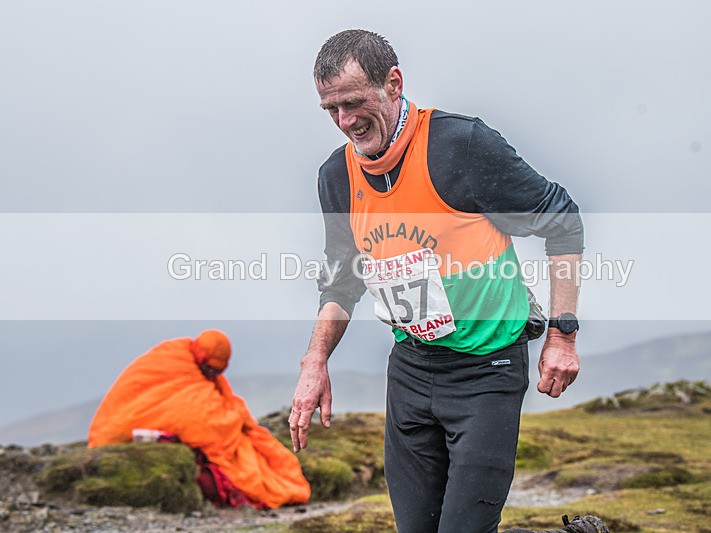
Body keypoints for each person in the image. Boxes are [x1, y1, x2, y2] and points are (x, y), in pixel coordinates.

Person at [289, 29, 584, 533]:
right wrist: (315, 362)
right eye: (330, 109)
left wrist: (561, 335)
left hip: (486, 372)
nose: (345, 122)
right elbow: (342, 281)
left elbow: (562, 219)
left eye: (355, 102)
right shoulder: (336, 177)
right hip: (410, 372)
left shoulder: (460, 146)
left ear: (394, 83)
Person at [89, 329, 311, 509]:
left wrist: (235, 415)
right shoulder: (171, 359)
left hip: (111, 436)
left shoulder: (189, 365)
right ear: (202, 358)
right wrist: (233, 417)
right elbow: (198, 421)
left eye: (217, 372)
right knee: (242, 450)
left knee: (257, 445)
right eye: (210, 370)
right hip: (111, 434)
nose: (213, 376)